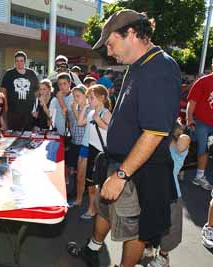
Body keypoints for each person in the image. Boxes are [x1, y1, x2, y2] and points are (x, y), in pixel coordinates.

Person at [67, 10, 181, 267]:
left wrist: (121, 175)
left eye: (110, 43)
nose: (109, 51)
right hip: (120, 163)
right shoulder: (137, 65)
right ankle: (93, 249)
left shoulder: (160, 67)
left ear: (130, 34)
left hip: (140, 171)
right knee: (105, 207)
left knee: (136, 228)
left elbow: (154, 132)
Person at [147, 123, 190, 267]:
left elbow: (184, 140)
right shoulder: (156, 144)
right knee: (150, 223)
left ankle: (163, 257)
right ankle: (149, 248)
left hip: (171, 196)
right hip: (152, 193)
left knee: (170, 230)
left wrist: (176, 131)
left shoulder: (178, 146)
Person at [187, 54, 213, 190]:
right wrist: (189, 118)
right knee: (203, 148)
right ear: (212, 66)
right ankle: (199, 177)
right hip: (203, 122)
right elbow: (192, 101)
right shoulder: (203, 81)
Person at [78, 84, 112, 219]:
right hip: (92, 150)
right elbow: (80, 122)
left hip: (101, 153)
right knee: (91, 184)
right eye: (88, 98)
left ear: (102, 98)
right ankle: (93, 209)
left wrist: (99, 121)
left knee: (98, 184)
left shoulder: (106, 113)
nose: (89, 100)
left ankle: (95, 211)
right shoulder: (92, 112)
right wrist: (85, 108)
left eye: (91, 98)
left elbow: (110, 130)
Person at [0, 51, 39, 130]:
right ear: (15, 62)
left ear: (25, 62)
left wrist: (36, 107)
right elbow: (3, 90)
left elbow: (37, 91)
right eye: (17, 61)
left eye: (21, 60)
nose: (19, 63)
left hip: (28, 109)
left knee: (28, 133)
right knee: (14, 132)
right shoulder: (9, 74)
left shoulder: (31, 73)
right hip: (13, 109)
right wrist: (5, 104)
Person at [70, 84, 91, 208]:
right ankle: (78, 197)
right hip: (76, 141)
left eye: (78, 96)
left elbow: (80, 123)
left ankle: (83, 199)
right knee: (77, 174)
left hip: (86, 144)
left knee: (84, 175)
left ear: (85, 96)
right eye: (74, 96)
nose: (75, 98)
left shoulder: (89, 109)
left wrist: (74, 110)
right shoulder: (77, 106)